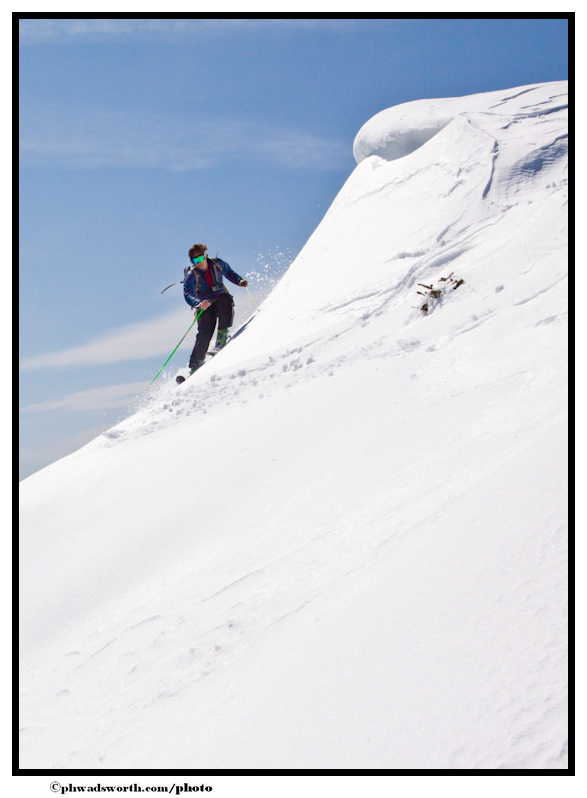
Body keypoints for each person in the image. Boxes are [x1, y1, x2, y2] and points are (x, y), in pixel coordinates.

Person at [183, 244, 249, 374]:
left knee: (225, 299)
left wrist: (240, 281)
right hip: (205, 305)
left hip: (219, 299)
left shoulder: (217, 264)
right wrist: (199, 304)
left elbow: (229, 273)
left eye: (200, 259)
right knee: (204, 332)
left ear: (205, 256)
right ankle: (195, 365)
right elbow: (187, 294)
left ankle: (222, 336)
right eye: (195, 261)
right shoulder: (192, 275)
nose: (199, 263)